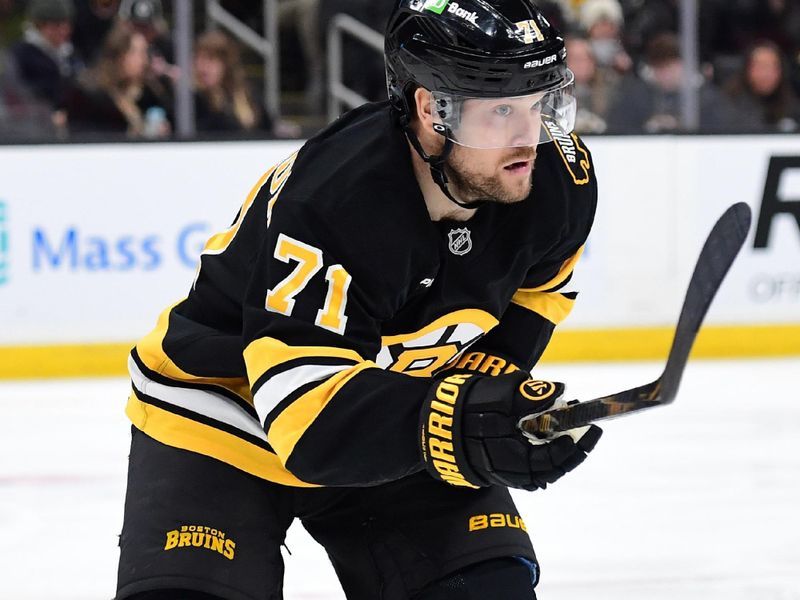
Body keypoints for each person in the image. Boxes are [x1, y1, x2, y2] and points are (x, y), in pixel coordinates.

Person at [114, 1, 602, 599]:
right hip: (223, 411)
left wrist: (490, 398)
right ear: (430, 109)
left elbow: (541, 290)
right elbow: (305, 415)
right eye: (501, 108)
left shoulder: (555, 178)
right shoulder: (336, 199)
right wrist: (456, 420)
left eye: (541, 102)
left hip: (388, 403)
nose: (529, 135)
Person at [62, 23, 171, 138]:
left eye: (145, 53)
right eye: (137, 53)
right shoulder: (90, 97)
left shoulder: (149, 94)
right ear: (119, 55)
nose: (144, 60)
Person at [8, 0, 82, 110]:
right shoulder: (22, 55)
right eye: (56, 26)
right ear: (39, 26)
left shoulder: (70, 54)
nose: (64, 30)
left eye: (67, 24)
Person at [193, 30, 269, 134]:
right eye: (198, 59)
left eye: (210, 59)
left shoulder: (247, 95)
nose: (202, 67)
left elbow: (267, 127)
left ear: (225, 64)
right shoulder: (192, 99)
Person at [723, 40, 799, 133]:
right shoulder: (728, 105)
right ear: (747, 70)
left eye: (772, 67)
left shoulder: (791, 105)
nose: (766, 74)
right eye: (761, 67)